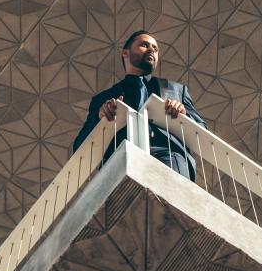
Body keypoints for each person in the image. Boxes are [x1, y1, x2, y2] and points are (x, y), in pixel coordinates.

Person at [72, 30, 206, 180]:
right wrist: (99, 119)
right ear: (125, 53)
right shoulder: (102, 99)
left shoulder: (177, 90)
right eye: (144, 45)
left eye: (155, 49)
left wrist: (183, 114)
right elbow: (79, 150)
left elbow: (202, 132)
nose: (151, 50)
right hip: (121, 164)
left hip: (171, 160)